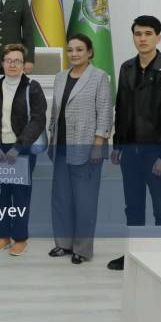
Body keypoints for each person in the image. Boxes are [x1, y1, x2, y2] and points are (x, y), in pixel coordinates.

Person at [107, 15, 161, 271]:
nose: (142, 39)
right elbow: (121, 109)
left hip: (157, 154)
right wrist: (117, 144)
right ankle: (133, 256)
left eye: (148, 34)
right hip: (130, 153)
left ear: (158, 37)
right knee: (133, 208)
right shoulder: (126, 68)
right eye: (138, 34)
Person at [47, 34, 113, 264]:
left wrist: (98, 143)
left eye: (79, 49)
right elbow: (55, 112)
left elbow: (105, 111)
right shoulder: (60, 77)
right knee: (61, 198)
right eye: (70, 50)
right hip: (61, 146)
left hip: (88, 147)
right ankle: (63, 244)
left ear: (90, 52)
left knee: (84, 201)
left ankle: (82, 250)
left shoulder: (99, 77)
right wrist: (51, 137)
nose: (74, 54)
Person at [0, 44, 47, 256]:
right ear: (2, 63)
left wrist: (18, 147)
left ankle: (20, 239)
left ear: (24, 64)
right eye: (8, 60)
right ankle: (3, 236)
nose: (12, 64)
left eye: (17, 61)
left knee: (20, 196)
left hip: (21, 150)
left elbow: (38, 120)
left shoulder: (32, 87)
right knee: (1, 195)